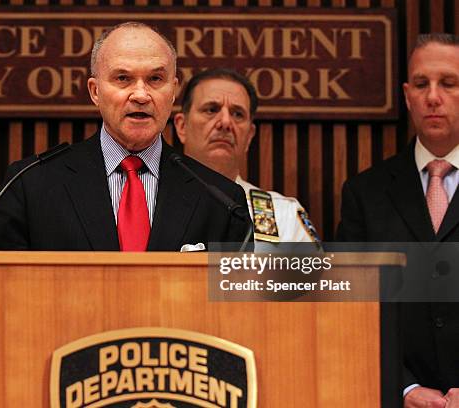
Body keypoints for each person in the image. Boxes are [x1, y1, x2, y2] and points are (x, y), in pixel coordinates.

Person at [0, 23, 250, 251]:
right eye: (122, 79)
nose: (141, 95)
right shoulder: (31, 185)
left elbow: (240, 311)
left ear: (173, 90)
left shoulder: (221, 200)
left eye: (155, 79)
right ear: (95, 91)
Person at [336, 34, 459, 408]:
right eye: (421, 84)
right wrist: (401, 387)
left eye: (449, 83)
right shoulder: (365, 192)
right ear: (407, 96)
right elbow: (351, 304)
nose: (433, 97)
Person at [174, 68, 319, 244]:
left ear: (250, 135)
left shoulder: (282, 215)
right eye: (211, 110)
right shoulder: (150, 204)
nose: (226, 122)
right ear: (182, 126)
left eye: (237, 114)